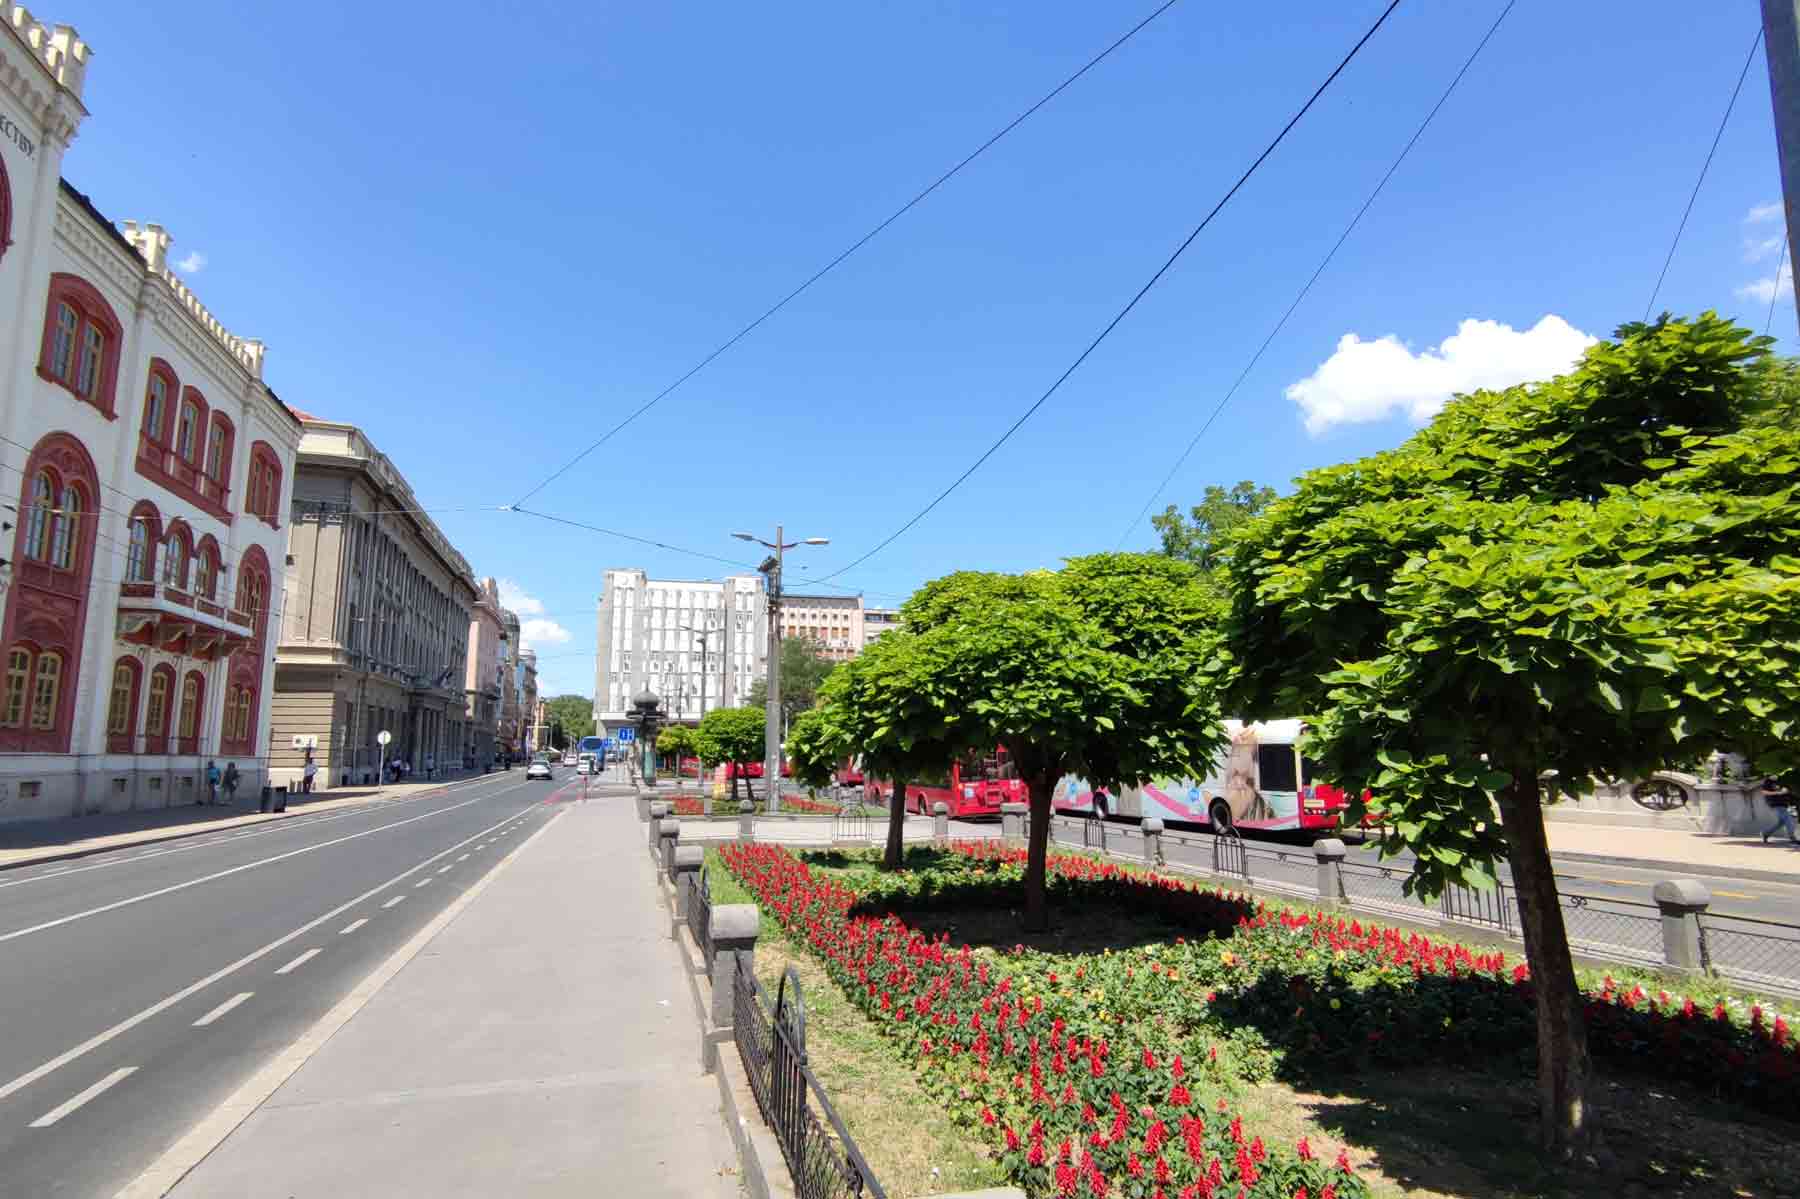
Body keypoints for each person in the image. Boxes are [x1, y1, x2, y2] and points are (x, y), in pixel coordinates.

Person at [1762, 776, 1797, 844]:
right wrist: (1778, 793)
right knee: (1788, 819)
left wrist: (1787, 791)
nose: (1775, 775)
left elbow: (1787, 791)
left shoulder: (1781, 781)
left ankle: (1766, 833)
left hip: (1786, 804)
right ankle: (1792, 837)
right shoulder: (1767, 782)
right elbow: (1764, 792)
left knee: (1781, 823)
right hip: (1777, 804)